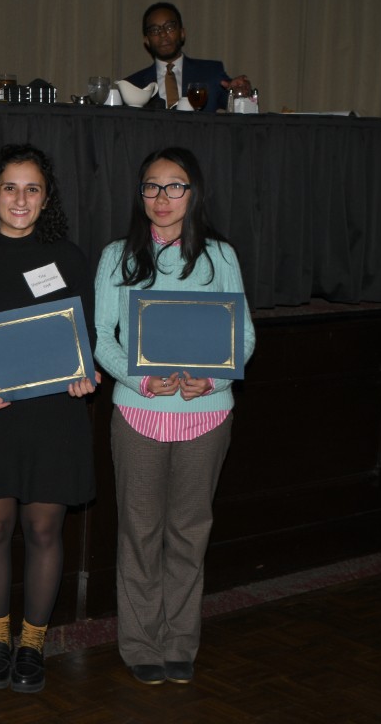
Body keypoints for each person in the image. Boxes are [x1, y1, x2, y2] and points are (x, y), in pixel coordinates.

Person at [93, 146, 255, 685]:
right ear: (140, 194)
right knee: (139, 534)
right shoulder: (117, 256)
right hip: (138, 414)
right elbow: (103, 338)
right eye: (152, 186)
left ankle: (180, 641)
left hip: (205, 416)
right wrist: (139, 380)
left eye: (175, 186)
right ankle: (140, 643)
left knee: (189, 533)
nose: (162, 198)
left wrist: (213, 379)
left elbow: (243, 336)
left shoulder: (220, 257)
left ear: (194, 192)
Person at [0, 144, 97, 695]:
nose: (20, 199)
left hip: (54, 416)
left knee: (43, 529)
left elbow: (85, 335)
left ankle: (32, 644)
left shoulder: (68, 258)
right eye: (10, 187)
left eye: (33, 189)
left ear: (47, 198)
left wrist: (84, 374)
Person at [123, 2, 251, 112]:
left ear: (182, 33)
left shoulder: (211, 73)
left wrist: (240, 94)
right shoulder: (132, 85)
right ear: (147, 41)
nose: (163, 34)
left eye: (169, 27)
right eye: (155, 30)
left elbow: (237, 108)